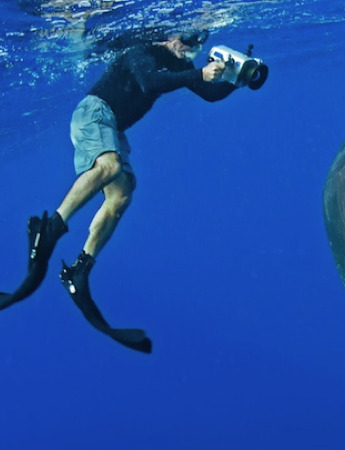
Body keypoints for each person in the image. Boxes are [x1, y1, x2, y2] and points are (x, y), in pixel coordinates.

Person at [0, 29, 240, 352]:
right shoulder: (141, 52)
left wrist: (238, 78)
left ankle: (80, 270)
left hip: (110, 126)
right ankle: (50, 226)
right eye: (187, 41)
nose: (191, 49)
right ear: (168, 38)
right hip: (94, 114)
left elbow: (208, 93)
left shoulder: (176, 65)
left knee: (122, 193)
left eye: (196, 46)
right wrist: (198, 72)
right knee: (110, 167)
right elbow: (150, 83)